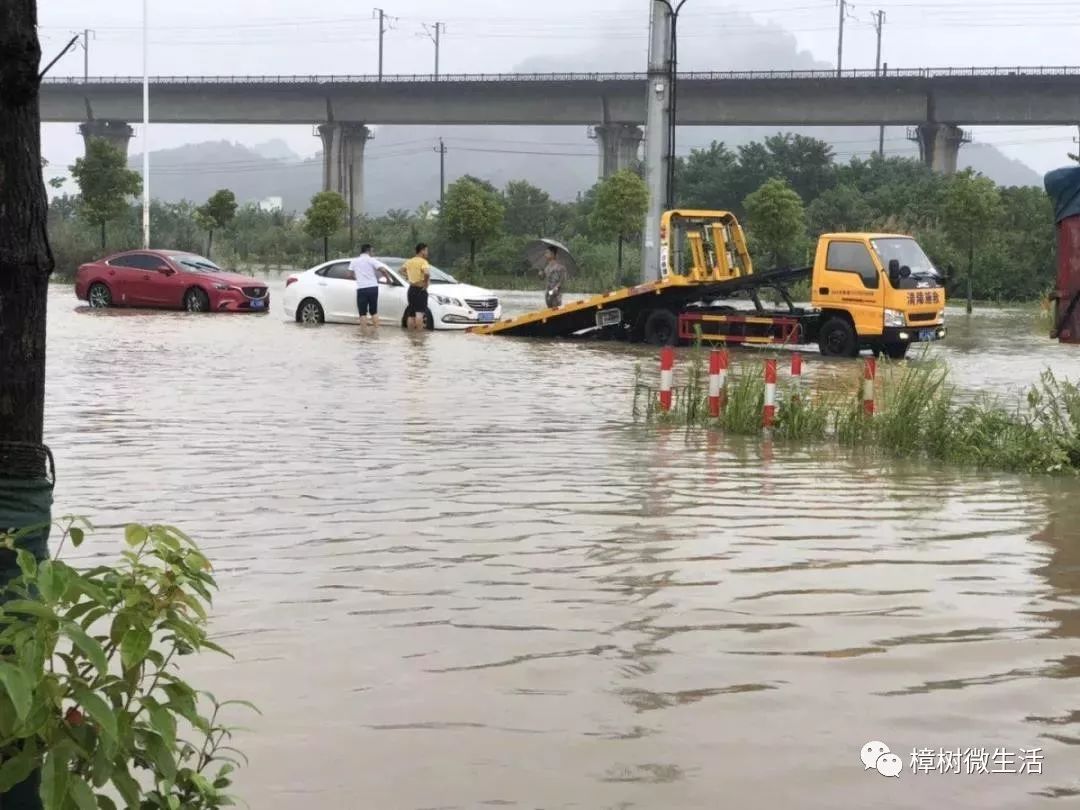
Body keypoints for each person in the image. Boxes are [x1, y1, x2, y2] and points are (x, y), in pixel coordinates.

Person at [349, 243, 388, 332]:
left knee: (362, 313)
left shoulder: (354, 261)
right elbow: (383, 270)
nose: (373, 253)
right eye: (372, 251)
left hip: (362, 288)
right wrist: (388, 279)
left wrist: (357, 278)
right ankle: (376, 331)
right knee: (374, 311)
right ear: (368, 251)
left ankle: (364, 333)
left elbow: (349, 274)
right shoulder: (372, 260)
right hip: (373, 288)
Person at [402, 242, 431, 331]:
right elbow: (427, 273)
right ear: (422, 251)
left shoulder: (410, 261)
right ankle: (419, 336)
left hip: (411, 289)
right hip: (420, 289)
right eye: (426, 251)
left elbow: (401, 270)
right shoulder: (423, 262)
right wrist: (425, 283)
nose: (427, 253)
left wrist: (408, 276)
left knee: (411, 314)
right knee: (419, 313)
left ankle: (411, 335)